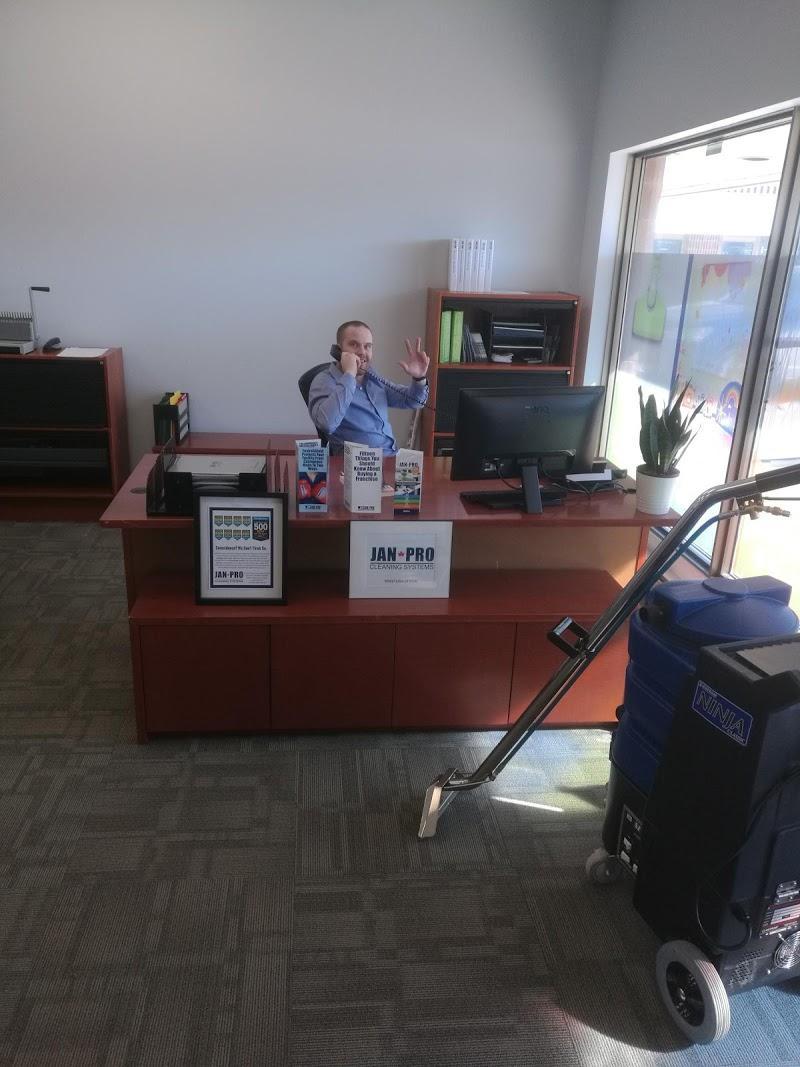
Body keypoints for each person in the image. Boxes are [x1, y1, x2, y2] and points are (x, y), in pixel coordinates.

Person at [307, 320, 430, 454]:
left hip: (391, 458)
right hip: (357, 464)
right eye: (354, 344)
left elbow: (412, 401)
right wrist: (349, 375)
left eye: (367, 346)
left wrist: (419, 378)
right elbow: (327, 424)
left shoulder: (372, 377)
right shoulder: (324, 381)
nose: (362, 352)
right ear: (338, 350)